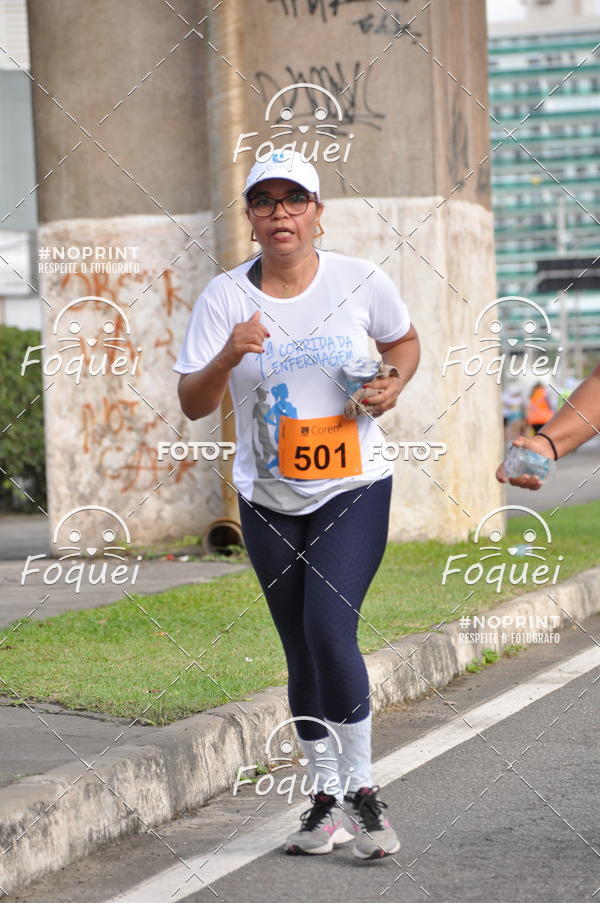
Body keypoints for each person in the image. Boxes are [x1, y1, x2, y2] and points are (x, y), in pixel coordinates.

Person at [174, 148, 420, 860]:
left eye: (294, 200)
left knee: (328, 629)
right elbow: (192, 402)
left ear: (316, 212)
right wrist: (227, 355)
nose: (279, 213)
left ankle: (364, 793)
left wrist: (393, 382)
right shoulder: (225, 297)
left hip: (353, 484)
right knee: (298, 647)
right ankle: (325, 802)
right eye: (264, 201)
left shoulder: (359, 279)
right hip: (268, 497)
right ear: (251, 217)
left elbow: (403, 342)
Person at [497, 363, 600, 490]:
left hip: (536, 419)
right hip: (542, 419)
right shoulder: (543, 393)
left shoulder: (533, 394)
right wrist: (547, 443)